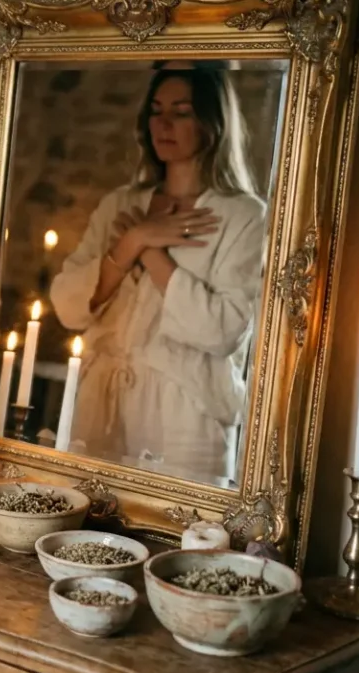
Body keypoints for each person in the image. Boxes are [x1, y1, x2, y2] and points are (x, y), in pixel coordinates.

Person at [48, 65, 266, 485]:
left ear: (213, 123)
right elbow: (68, 306)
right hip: (101, 405)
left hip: (187, 417)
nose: (163, 124)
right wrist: (130, 242)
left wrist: (149, 251)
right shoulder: (121, 204)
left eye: (181, 112)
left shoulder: (243, 215)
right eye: (156, 110)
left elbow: (223, 330)